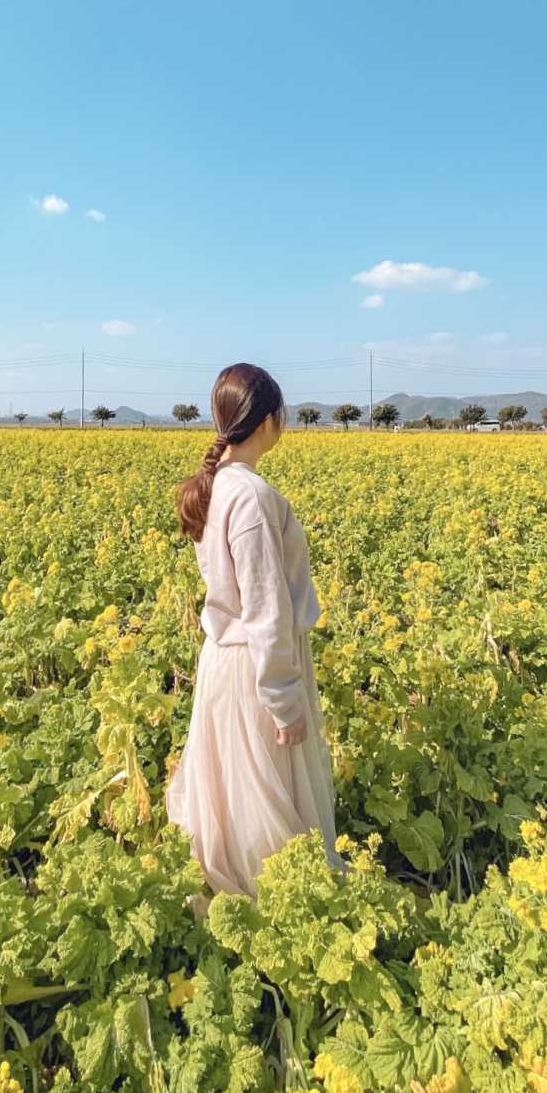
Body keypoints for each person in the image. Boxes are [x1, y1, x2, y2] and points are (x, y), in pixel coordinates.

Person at [165, 362, 346, 910]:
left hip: (223, 661)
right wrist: (284, 701)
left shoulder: (216, 486)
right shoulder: (252, 497)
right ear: (270, 420)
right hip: (253, 669)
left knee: (237, 796)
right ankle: (279, 905)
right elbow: (267, 609)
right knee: (268, 802)